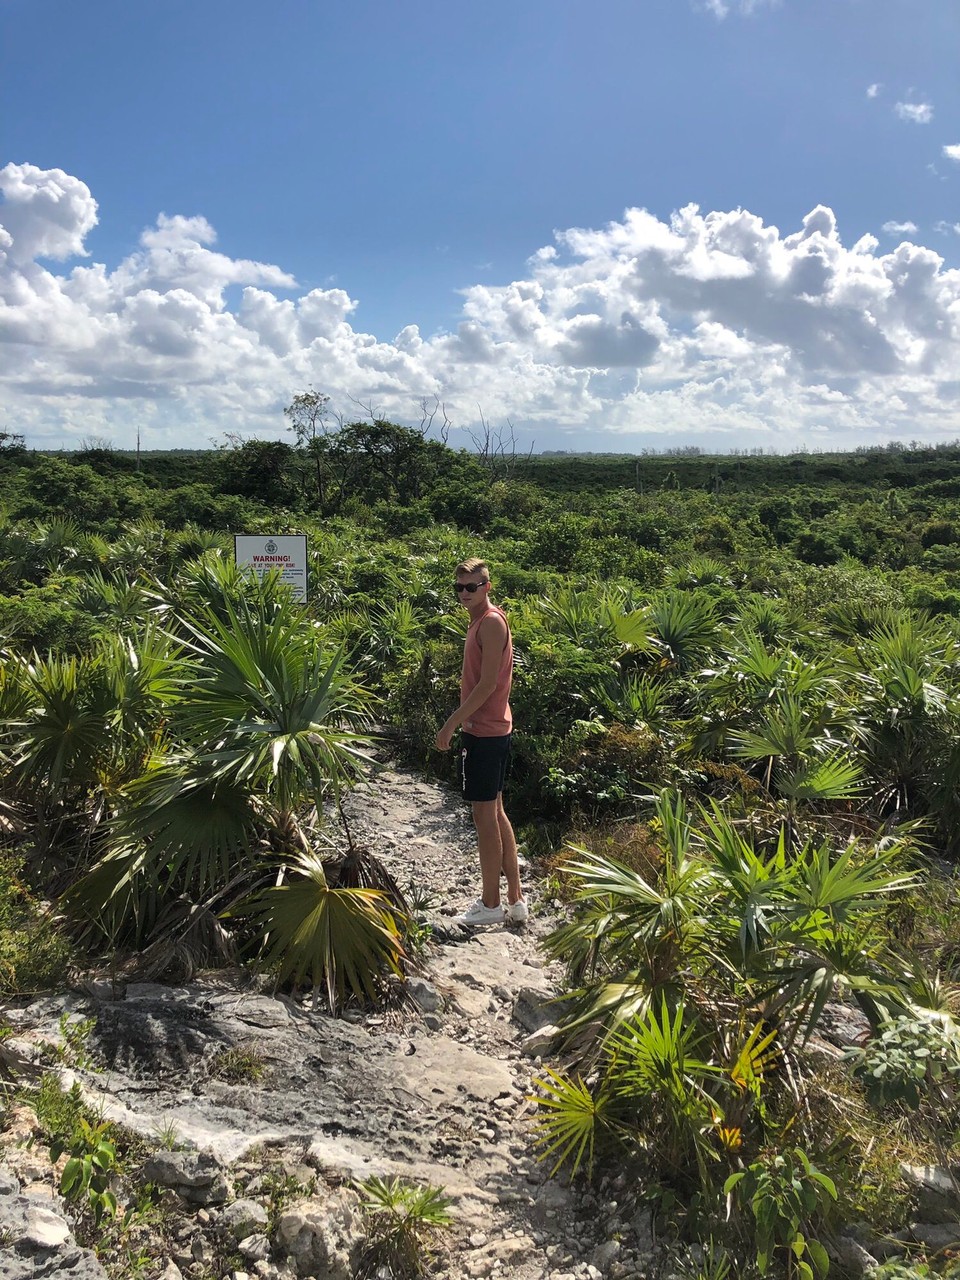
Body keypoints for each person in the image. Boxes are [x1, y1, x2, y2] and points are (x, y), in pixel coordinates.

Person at [435, 558, 527, 926]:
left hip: (485, 732)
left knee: (483, 815)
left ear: (487, 587)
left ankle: (490, 905)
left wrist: (450, 725)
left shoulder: (489, 623)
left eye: (471, 587)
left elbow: (487, 684)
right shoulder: (484, 621)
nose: (464, 594)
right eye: (459, 587)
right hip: (493, 730)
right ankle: (515, 899)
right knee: (495, 810)